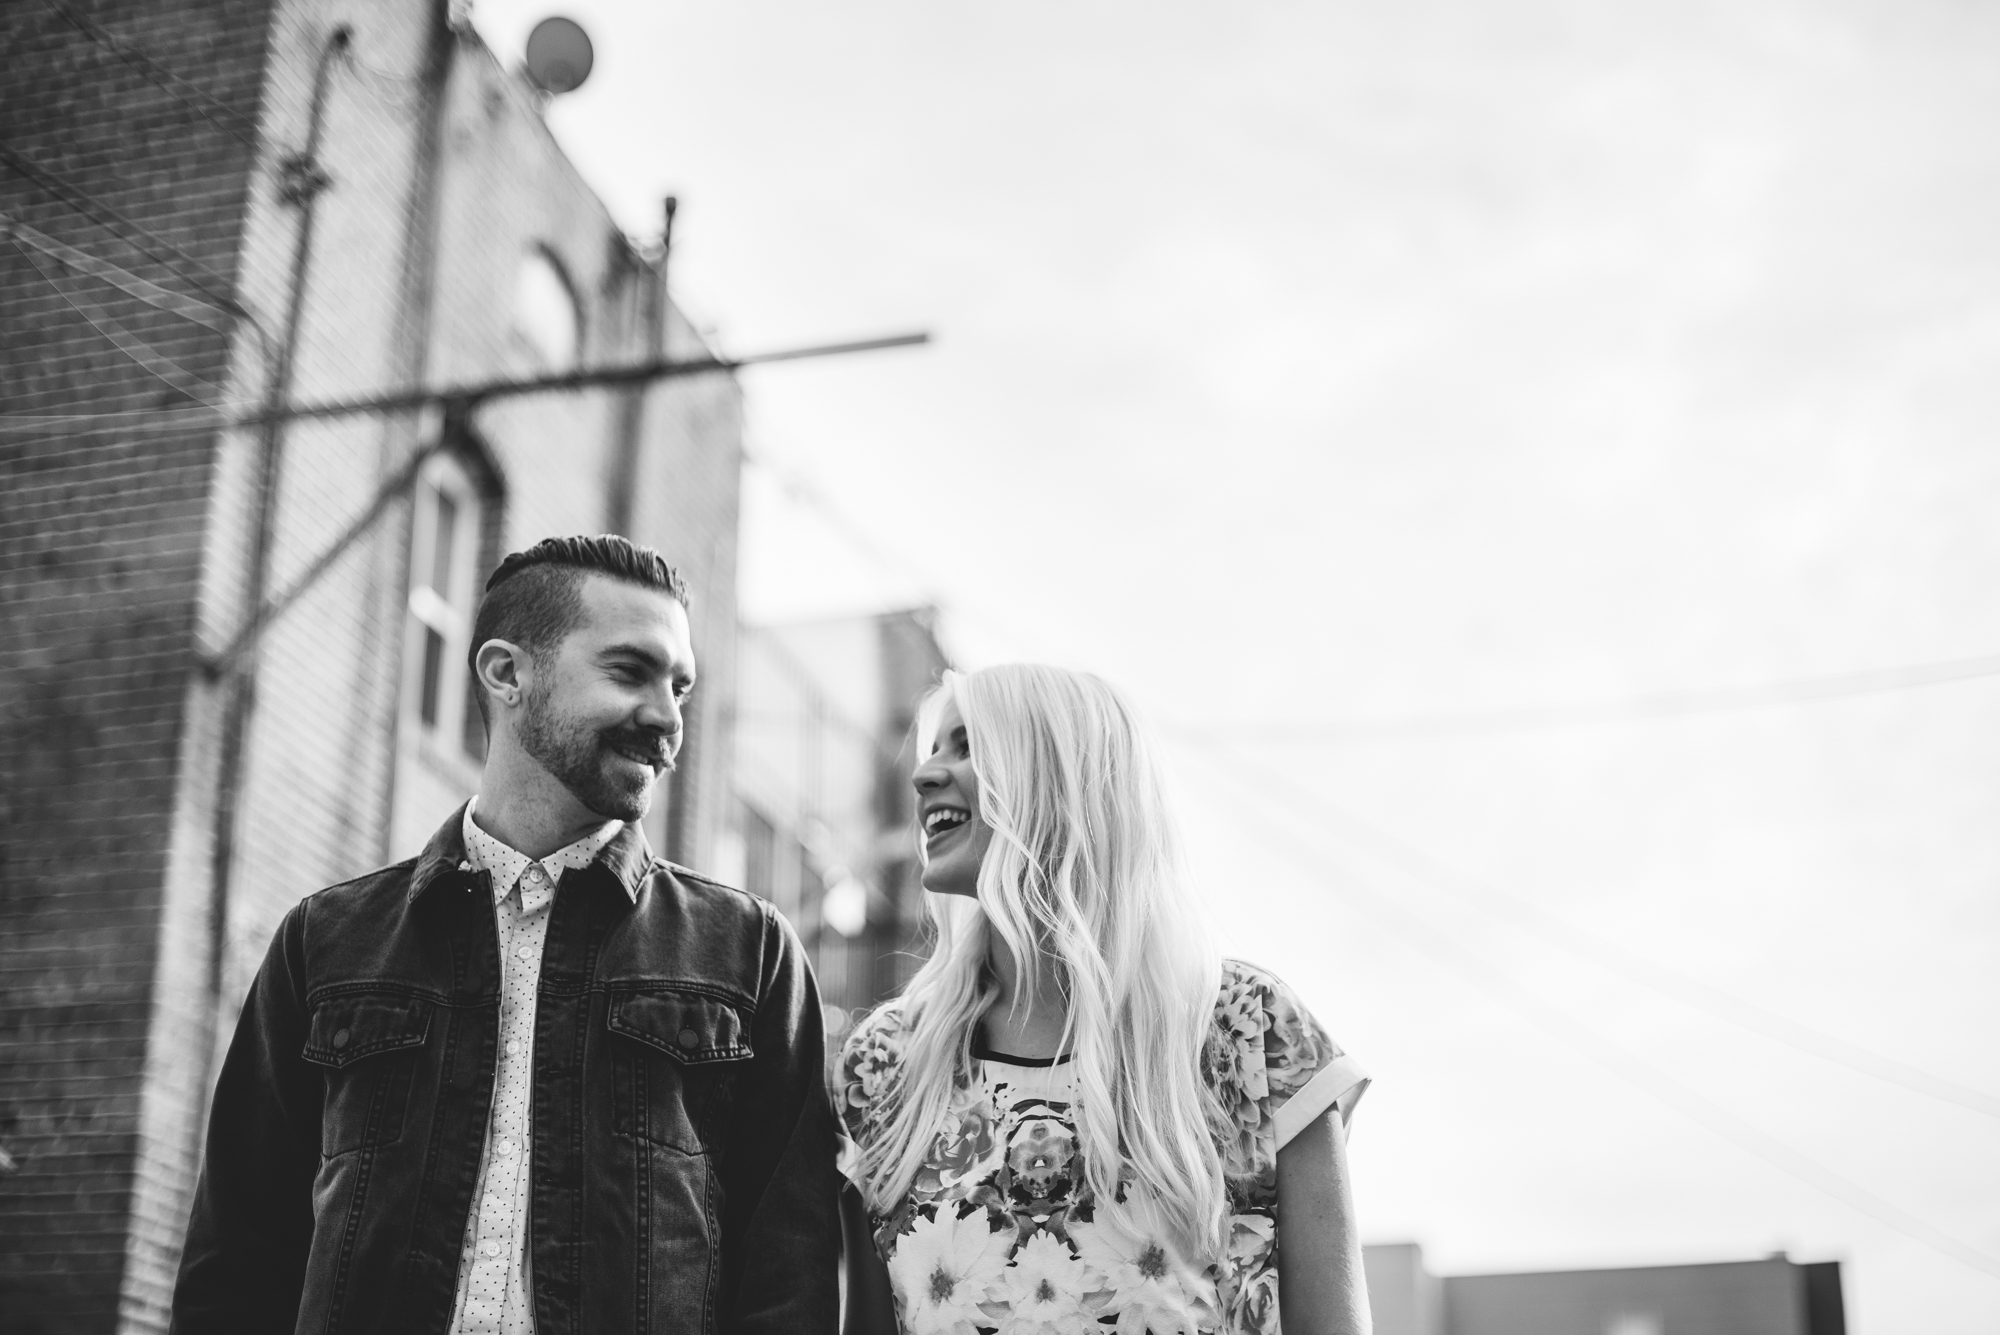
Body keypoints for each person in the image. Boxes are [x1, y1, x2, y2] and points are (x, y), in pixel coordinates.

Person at [172, 535, 838, 1335]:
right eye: (630, 671)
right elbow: (237, 1259)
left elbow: (788, 1281)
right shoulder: (325, 942)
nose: (667, 716)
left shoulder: (749, 954)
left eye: (681, 686)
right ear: (506, 672)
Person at [835, 665, 1372, 1335]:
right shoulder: (885, 1065)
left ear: (1060, 776)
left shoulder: (1251, 1030)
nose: (924, 775)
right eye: (934, 749)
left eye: (967, 745)